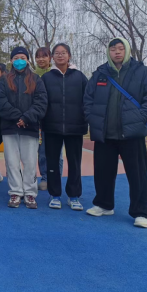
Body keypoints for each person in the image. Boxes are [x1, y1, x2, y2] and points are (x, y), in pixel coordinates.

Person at [84, 38, 147, 228]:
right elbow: (88, 99)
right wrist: (92, 118)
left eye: (120, 48)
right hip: (105, 134)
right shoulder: (100, 73)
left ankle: (141, 212)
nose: (117, 52)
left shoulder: (141, 72)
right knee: (102, 173)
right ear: (108, 52)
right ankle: (104, 205)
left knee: (137, 176)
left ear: (126, 50)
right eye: (113, 49)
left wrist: (142, 116)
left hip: (132, 133)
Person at [0, 47, 47, 209]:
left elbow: (41, 102)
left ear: (27, 60)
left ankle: (30, 193)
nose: (19, 60)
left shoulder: (36, 79)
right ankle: (16, 192)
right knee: (12, 162)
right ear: (11, 60)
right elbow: (0, 102)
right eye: (16, 57)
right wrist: (17, 117)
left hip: (30, 127)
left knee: (30, 162)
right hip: (9, 127)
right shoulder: (3, 80)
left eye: (23, 58)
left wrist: (26, 118)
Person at [41, 44, 88, 210]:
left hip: (75, 127)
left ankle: (74, 196)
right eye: (57, 53)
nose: (60, 56)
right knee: (52, 163)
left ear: (69, 56)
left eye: (63, 53)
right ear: (52, 57)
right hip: (51, 127)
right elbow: (41, 101)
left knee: (75, 163)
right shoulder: (46, 78)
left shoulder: (80, 77)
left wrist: (85, 118)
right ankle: (54, 195)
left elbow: (88, 100)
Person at [35, 47, 63, 191]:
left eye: (44, 56)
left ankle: (56, 178)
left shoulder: (56, 73)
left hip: (56, 119)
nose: (41, 59)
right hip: (39, 120)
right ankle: (45, 177)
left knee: (57, 152)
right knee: (42, 152)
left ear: (50, 58)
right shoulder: (32, 76)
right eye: (38, 57)